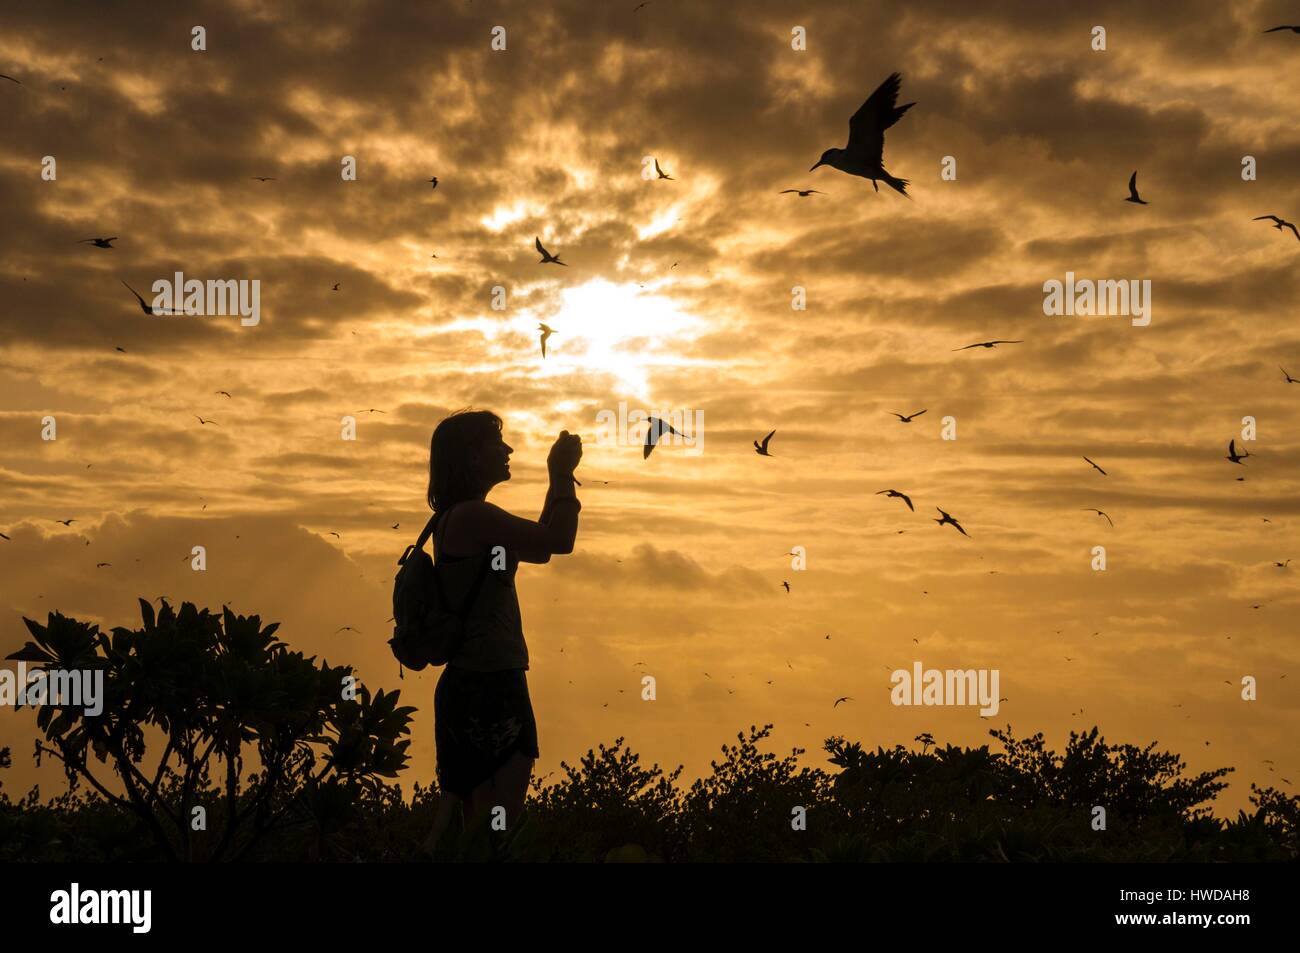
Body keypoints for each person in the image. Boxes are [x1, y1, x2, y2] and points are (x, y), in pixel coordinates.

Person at [422, 410, 582, 854]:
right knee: (492, 833)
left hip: (483, 680)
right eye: (498, 442)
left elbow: (543, 547)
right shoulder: (474, 516)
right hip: (486, 682)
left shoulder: (462, 517)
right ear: (473, 457)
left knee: (470, 826)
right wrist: (562, 474)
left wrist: (557, 480)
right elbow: (560, 540)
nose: (508, 450)